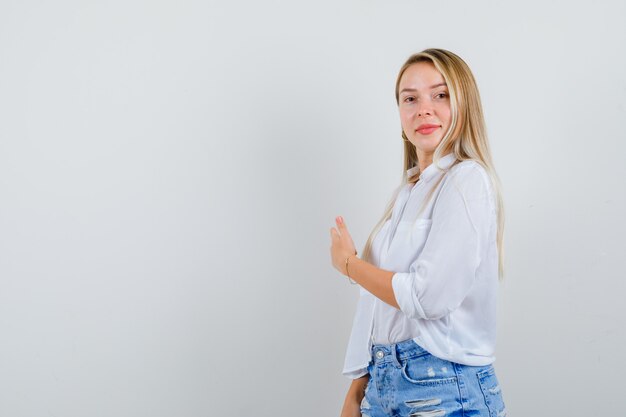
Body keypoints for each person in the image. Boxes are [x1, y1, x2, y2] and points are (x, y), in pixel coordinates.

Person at [330, 48, 507, 417]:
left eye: (440, 95)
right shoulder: (408, 191)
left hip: (443, 387)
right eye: (410, 98)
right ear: (400, 115)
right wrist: (356, 391)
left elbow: (428, 297)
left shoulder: (466, 180)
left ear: (464, 105)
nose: (423, 108)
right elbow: (378, 305)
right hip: (382, 383)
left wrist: (349, 264)